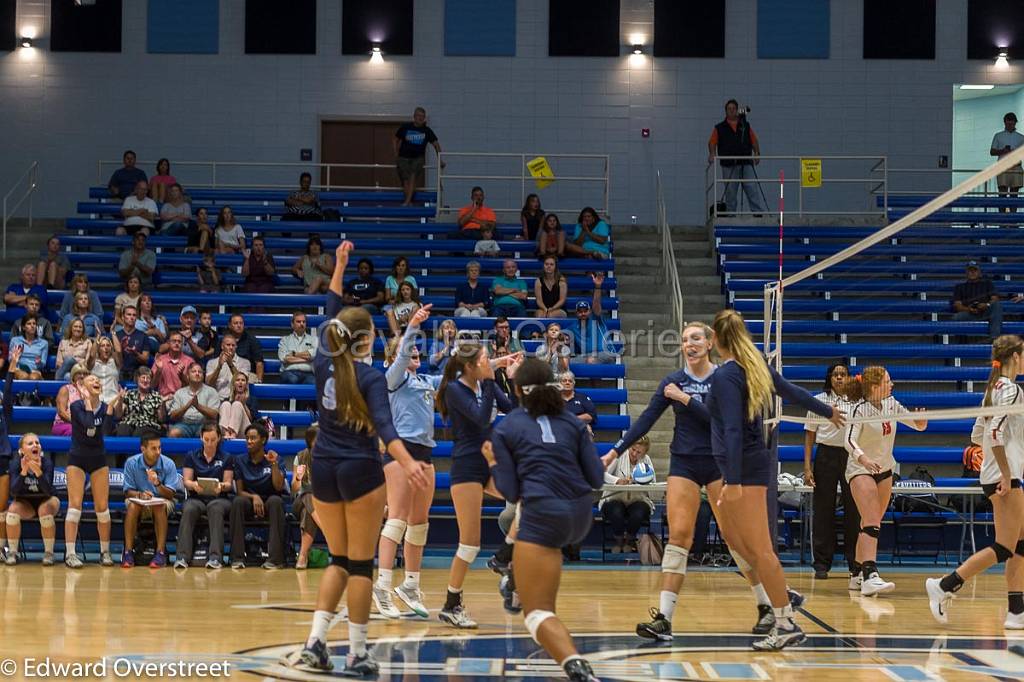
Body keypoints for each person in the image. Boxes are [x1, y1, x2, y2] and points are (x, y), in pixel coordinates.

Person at [286, 241, 429, 676]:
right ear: (368, 340)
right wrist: (408, 463)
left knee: (338, 559)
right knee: (361, 566)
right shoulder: (369, 378)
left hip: (322, 467)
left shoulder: (323, 362)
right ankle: (358, 653)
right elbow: (387, 431)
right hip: (360, 469)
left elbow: (330, 307)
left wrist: (340, 265)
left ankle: (314, 643)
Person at [705, 309, 843, 650]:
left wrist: (733, 481)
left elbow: (735, 429)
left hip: (745, 470)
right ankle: (782, 595)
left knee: (760, 549)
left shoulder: (727, 376)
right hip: (745, 466)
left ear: (717, 340)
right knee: (739, 542)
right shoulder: (754, 368)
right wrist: (827, 411)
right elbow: (792, 391)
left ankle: (785, 623)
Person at [483, 358, 605, 682]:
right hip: (581, 516)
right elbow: (596, 479)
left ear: (518, 390)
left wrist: (493, 463)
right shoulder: (574, 423)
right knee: (537, 563)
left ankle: (577, 667)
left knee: (537, 613)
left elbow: (510, 490)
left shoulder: (508, 426)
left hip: (544, 518)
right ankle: (515, 579)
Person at [927, 335, 1024, 626]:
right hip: (1003, 477)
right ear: (1016, 357)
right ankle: (945, 585)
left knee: (1021, 544)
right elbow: (994, 434)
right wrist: (1006, 473)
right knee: (1005, 546)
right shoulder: (1011, 391)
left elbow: (976, 436)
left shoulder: (993, 389)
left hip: (1000, 473)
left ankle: (1016, 612)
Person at [436, 340, 520, 629]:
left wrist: (513, 378)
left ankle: (502, 557)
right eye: (485, 359)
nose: (490, 362)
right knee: (469, 545)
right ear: (471, 367)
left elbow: (512, 407)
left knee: (525, 500)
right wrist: (490, 377)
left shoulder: (483, 382)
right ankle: (451, 604)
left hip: (488, 461)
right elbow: (482, 417)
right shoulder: (455, 390)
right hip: (467, 466)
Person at [374, 305, 441, 619]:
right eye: (409, 353)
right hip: (400, 454)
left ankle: (411, 585)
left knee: (419, 523)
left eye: (417, 354)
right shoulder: (393, 378)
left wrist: (496, 363)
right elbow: (401, 356)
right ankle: (383, 587)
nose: (415, 356)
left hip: (425, 455)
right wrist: (412, 324)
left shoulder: (426, 381)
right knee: (397, 519)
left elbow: (459, 376)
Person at [843, 365, 927, 597]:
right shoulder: (858, 409)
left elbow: (914, 424)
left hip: (885, 469)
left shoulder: (892, 404)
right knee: (871, 521)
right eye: (888, 381)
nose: (892, 384)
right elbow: (849, 442)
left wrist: (920, 422)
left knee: (870, 524)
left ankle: (856, 574)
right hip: (861, 469)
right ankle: (871, 575)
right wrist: (864, 459)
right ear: (874, 386)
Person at [803, 363, 859, 580]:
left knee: (853, 510)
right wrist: (807, 467)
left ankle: (855, 562)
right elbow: (809, 435)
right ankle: (821, 564)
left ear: (848, 377)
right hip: (825, 455)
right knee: (823, 509)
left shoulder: (856, 401)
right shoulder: (818, 401)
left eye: (842, 374)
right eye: (835, 374)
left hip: (850, 455)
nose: (839, 378)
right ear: (830, 378)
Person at [64, 374, 116, 568]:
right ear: (81, 385)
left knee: (102, 508)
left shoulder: (103, 407)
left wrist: (110, 411)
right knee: (74, 506)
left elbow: (106, 432)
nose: (96, 382)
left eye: (98, 380)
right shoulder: (76, 405)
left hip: (98, 458)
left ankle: (105, 552)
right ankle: (70, 554)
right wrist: (86, 401)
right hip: (77, 457)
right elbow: (87, 423)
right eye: (91, 379)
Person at [229, 422, 288, 570]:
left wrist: (274, 464)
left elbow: (279, 486)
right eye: (247, 438)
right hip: (249, 500)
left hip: (270, 501)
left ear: (263, 440)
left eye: (253, 438)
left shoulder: (276, 459)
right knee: (237, 502)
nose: (249, 441)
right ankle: (237, 557)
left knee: (276, 501)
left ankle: (275, 559)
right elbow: (240, 491)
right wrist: (254, 497)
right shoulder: (240, 460)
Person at [177, 422, 234, 569]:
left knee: (215, 508)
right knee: (188, 509)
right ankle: (182, 557)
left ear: (219, 438)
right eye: (206, 439)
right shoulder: (191, 456)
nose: (209, 443)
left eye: (213, 440)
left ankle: (216, 558)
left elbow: (228, 483)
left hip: (219, 498)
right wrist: (194, 485)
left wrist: (221, 487)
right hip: (197, 498)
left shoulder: (227, 457)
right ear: (201, 437)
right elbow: (187, 481)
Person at [120, 433, 180, 569]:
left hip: (163, 500)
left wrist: (158, 484)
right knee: (133, 506)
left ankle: (160, 553)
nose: (158, 452)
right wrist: (139, 495)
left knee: (159, 506)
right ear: (143, 449)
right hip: (139, 499)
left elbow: (171, 495)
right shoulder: (131, 463)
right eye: (154, 448)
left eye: (159, 448)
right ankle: (128, 553)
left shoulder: (169, 464)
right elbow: (127, 491)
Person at [5, 432, 58, 566]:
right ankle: (12, 552)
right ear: (22, 451)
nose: (35, 445)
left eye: (37, 443)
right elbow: (13, 491)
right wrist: (24, 472)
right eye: (30, 443)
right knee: (12, 510)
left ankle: (49, 553)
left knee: (44, 510)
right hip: (26, 503)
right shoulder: (15, 464)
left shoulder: (47, 463)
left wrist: (38, 472)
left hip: (47, 500)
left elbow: (47, 490)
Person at [708, 99, 766, 214]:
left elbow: (754, 140)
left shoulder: (745, 125)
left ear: (737, 110)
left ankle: (758, 214)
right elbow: (712, 142)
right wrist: (712, 153)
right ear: (725, 111)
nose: (731, 111)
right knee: (730, 192)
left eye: (734, 109)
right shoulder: (719, 127)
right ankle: (731, 216)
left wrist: (757, 153)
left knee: (752, 189)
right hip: (728, 165)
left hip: (745, 163)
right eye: (729, 109)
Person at [600, 436, 656, 553]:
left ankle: (629, 540)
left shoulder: (647, 460)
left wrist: (644, 481)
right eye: (633, 449)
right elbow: (603, 474)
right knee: (616, 511)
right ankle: (619, 541)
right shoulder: (618, 456)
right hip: (615, 498)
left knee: (639, 512)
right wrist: (617, 480)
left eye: (639, 452)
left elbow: (653, 483)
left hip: (637, 499)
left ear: (645, 452)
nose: (635, 454)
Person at [394, 107, 444, 206]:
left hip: (418, 158)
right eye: (418, 116)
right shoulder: (406, 127)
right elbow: (395, 139)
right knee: (405, 180)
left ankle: (407, 201)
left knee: (412, 177)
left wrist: (440, 160)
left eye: (422, 116)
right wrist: (396, 153)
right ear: (414, 117)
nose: (420, 118)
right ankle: (409, 201)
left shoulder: (427, 131)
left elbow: (436, 145)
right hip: (403, 157)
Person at [562, 274, 615, 364]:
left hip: (605, 353)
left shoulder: (596, 318)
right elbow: (558, 332)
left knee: (591, 360)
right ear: (576, 313)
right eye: (580, 311)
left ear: (590, 311)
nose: (583, 313)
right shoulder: (573, 327)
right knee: (565, 361)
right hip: (586, 356)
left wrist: (597, 287)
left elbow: (596, 303)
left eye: (585, 311)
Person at [291, 426, 320, 570]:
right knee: (307, 495)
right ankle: (326, 529)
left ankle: (302, 555)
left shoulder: (330, 458)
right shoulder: (301, 457)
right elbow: (294, 489)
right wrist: (298, 477)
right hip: (300, 501)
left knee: (307, 514)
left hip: (322, 504)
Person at [952, 260, 1003, 341]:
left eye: (975, 270)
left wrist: (986, 305)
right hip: (969, 313)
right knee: (956, 317)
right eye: (970, 270)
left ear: (979, 272)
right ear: (966, 273)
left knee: (997, 305)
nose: (972, 273)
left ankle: (994, 338)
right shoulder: (959, 287)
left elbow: (995, 299)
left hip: (985, 312)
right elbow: (957, 305)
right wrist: (969, 309)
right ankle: (961, 345)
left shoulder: (987, 284)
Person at [169, 364, 221, 438]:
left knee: (210, 433)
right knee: (173, 433)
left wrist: (198, 406)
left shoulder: (211, 391)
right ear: (188, 376)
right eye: (193, 371)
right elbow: (172, 416)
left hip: (204, 424)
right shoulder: (179, 393)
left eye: (200, 372)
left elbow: (215, 415)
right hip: (184, 424)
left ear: (203, 376)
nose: (197, 374)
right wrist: (187, 406)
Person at [115, 367, 166, 436]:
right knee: (122, 429)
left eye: (148, 378)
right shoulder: (129, 394)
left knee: (139, 432)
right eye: (143, 377)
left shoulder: (156, 396)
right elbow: (118, 415)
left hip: (149, 426)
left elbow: (161, 419)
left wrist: (163, 404)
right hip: (129, 423)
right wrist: (120, 400)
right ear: (137, 379)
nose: (145, 380)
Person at [991, 112, 1024, 210]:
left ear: (1015, 123)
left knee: (1014, 194)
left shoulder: (1021, 137)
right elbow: (992, 151)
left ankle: (1012, 221)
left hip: (1016, 166)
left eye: (1012, 123)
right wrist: (1003, 151)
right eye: (1008, 123)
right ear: (1004, 123)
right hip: (1002, 166)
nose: (1010, 125)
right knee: (1002, 193)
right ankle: (1002, 220)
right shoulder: (998, 135)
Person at [206, 335, 253, 400]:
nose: (231, 347)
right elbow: (209, 384)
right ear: (222, 346)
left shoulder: (245, 362)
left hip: (237, 399)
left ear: (236, 347)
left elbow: (242, 381)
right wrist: (219, 367)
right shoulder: (211, 363)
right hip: (217, 400)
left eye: (233, 345)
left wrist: (230, 364)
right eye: (228, 345)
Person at [0, 358, 15, 561]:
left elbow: (8, 395)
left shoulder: (4, 413)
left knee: (1, 508)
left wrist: (11, 371)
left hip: (2, 457)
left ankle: (2, 548)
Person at [152, 331, 195, 399]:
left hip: (184, 399)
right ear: (169, 343)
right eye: (174, 341)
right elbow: (152, 385)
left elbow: (194, 386)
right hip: (164, 398)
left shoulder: (189, 361)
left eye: (179, 341)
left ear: (182, 344)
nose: (177, 343)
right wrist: (159, 371)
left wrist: (182, 376)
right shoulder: (160, 360)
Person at [278, 312, 318, 385]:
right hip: (289, 372)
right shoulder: (285, 340)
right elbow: (284, 358)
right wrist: (307, 360)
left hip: (308, 373)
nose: (302, 324)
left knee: (314, 382)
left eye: (304, 322)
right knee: (292, 379)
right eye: (298, 322)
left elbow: (314, 355)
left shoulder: (314, 339)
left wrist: (294, 354)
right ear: (292, 324)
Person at [222, 313, 264, 382]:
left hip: (246, 374)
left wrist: (259, 382)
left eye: (241, 323)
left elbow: (259, 363)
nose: (239, 325)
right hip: (225, 372)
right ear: (229, 325)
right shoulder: (223, 340)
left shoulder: (252, 340)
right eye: (236, 323)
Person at [219, 371, 259, 439]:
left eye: (243, 380)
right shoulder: (227, 399)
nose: (240, 382)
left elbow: (252, 419)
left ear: (246, 384)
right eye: (237, 380)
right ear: (233, 384)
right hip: (225, 433)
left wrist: (243, 404)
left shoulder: (252, 399)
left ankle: (233, 434)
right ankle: (227, 433)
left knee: (237, 404)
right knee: (225, 404)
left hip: (245, 430)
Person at [115, 305, 150, 382]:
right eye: (129, 314)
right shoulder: (116, 335)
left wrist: (135, 353)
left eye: (134, 315)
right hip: (119, 371)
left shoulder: (143, 336)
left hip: (137, 373)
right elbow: (113, 358)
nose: (132, 317)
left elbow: (145, 359)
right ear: (123, 317)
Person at [52, 365, 87, 436]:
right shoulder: (65, 389)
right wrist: (78, 422)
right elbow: (61, 412)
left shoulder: (89, 392)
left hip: (83, 425)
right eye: (79, 373)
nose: (82, 376)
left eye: (85, 374)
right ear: (73, 376)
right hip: (63, 424)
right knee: (75, 431)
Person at [9, 316, 48, 380]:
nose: (32, 326)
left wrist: (39, 362)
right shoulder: (15, 340)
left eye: (34, 324)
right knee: (23, 376)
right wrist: (15, 357)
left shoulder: (44, 343)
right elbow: (10, 360)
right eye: (29, 324)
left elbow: (43, 364)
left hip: (34, 371)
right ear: (24, 327)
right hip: (18, 369)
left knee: (33, 377)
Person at [87, 336, 121, 406]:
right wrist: (97, 338)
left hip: (113, 399)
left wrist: (113, 333)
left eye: (108, 345)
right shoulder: (93, 364)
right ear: (98, 349)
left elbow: (119, 351)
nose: (106, 347)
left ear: (111, 349)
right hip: (97, 399)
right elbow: (92, 355)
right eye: (102, 346)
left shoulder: (115, 362)